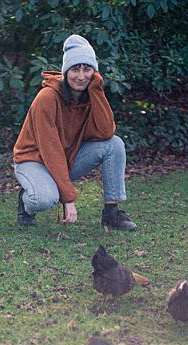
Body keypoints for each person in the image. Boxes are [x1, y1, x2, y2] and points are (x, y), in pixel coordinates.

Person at [12, 34, 136, 231]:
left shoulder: (89, 95)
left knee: (115, 144)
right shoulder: (47, 98)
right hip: (33, 160)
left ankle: (112, 213)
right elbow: (50, 149)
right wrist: (68, 198)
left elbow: (105, 132)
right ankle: (27, 200)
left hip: (65, 158)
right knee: (45, 199)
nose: (81, 76)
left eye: (87, 69)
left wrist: (96, 89)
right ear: (65, 71)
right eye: (75, 69)